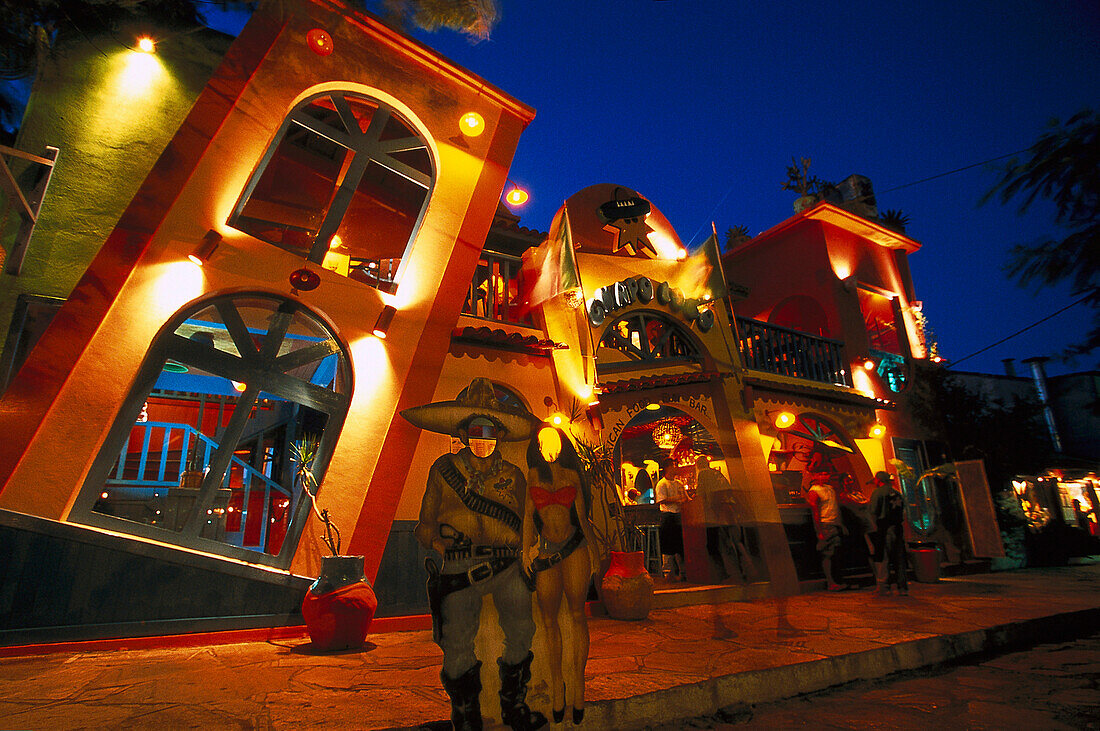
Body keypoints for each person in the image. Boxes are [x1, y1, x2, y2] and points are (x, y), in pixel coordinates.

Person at [402, 378, 547, 731]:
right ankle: (466, 715)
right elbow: (425, 526)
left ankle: (514, 707)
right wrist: (442, 548)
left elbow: (530, 521)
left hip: (508, 563)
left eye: (489, 434)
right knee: (457, 641)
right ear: (465, 435)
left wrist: (530, 550)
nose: (482, 441)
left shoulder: (513, 476)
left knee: (522, 630)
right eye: (476, 434)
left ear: (498, 436)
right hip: (460, 564)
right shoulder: (444, 470)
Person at [522, 425, 593, 726]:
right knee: (549, 622)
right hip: (547, 551)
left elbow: (584, 519)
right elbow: (528, 516)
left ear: (562, 445)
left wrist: (599, 557)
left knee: (578, 616)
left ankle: (578, 685)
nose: (546, 447)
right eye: (541, 442)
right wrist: (524, 551)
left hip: (574, 548)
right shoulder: (533, 478)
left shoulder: (573, 476)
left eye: (552, 441)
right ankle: (557, 687)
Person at [804, 467, 845, 591]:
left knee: (836, 553)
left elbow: (836, 507)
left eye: (826, 473)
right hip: (825, 524)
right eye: (821, 473)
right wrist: (819, 530)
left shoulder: (830, 489)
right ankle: (830, 582)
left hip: (834, 523)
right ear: (814, 476)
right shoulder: (814, 491)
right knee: (827, 553)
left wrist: (841, 524)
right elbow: (815, 512)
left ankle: (836, 580)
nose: (825, 476)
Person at [869, 470, 908, 596]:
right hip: (897, 527)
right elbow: (903, 511)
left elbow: (873, 512)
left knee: (882, 557)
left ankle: (882, 586)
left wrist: (875, 528)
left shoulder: (878, 493)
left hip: (884, 528)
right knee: (899, 557)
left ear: (878, 480)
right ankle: (901, 586)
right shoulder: (897, 493)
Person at [655, 461, 690, 581]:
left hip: (679, 515)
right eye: (673, 466)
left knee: (680, 545)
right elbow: (661, 500)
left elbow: (686, 498)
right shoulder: (661, 484)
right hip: (668, 516)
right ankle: (668, 573)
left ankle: (683, 572)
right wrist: (677, 499)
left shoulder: (679, 483)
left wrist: (689, 500)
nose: (675, 468)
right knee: (668, 544)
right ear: (667, 468)